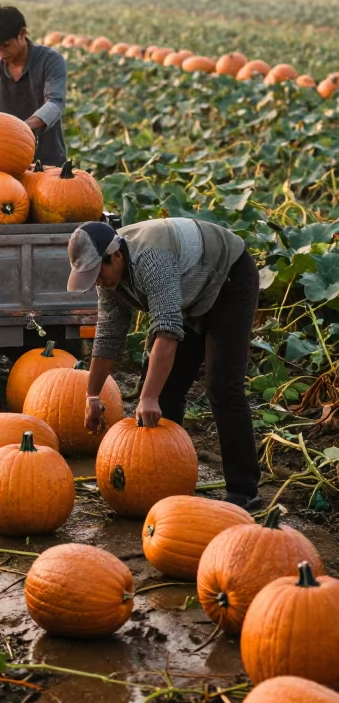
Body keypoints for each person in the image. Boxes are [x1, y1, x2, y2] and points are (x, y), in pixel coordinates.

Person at [67, 217, 261, 510]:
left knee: (222, 386)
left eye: (98, 272)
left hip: (227, 281)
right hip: (188, 294)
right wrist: (92, 395)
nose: (98, 281)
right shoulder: (108, 280)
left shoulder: (150, 258)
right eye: (91, 276)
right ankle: (167, 485)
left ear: (116, 255)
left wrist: (148, 396)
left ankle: (244, 492)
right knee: (166, 388)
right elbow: (108, 337)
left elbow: (167, 330)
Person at [0, 4, 66, 166]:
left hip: (48, 162)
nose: (0, 52)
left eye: (5, 46)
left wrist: (20, 129)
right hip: (7, 162)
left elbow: (55, 103)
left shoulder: (50, 61)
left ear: (22, 33)